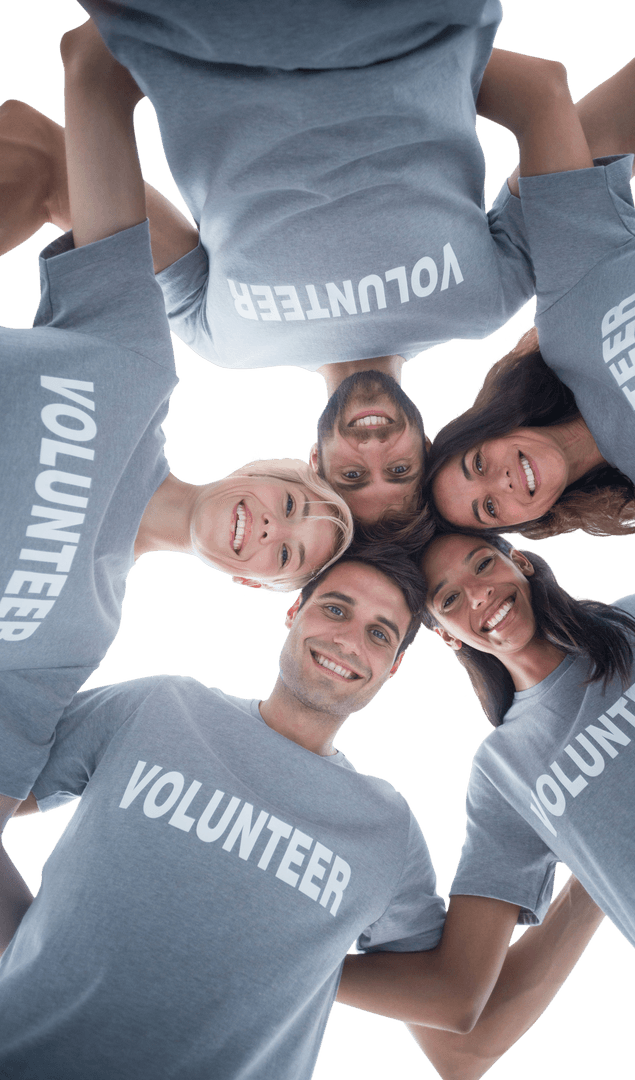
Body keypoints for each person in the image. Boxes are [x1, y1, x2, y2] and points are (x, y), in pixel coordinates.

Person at [0, 547, 603, 1079]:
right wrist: (25, 945)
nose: (348, 641)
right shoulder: (158, 708)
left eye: (379, 634)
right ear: (294, 615)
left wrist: (602, 878)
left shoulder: (385, 830)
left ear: (391, 670)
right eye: (336, 610)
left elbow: (461, 1037)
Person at [5, 2, 589, 522]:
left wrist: (126, 52)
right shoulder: (489, 300)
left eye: (353, 476)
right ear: (427, 449)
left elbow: (60, 159)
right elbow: (544, 91)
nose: (375, 451)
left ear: (317, 462)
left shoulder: (222, 340)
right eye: (401, 471)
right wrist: (419, 70)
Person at [0, 23, 352, 810]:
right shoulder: (140, 365)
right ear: (262, 468)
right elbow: (57, 116)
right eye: (290, 505)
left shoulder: (79, 637)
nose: (269, 530)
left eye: (287, 554)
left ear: (252, 583)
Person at [428, 17, 635, 583]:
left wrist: (373, 70)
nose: (501, 482)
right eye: (490, 508)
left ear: (489, 427)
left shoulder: (567, 316)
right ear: (528, 525)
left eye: (477, 464)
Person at [422, 527, 635, 1077]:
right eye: (448, 598)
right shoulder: (505, 768)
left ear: (521, 563)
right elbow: (462, 1048)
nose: (478, 593)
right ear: (445, 634)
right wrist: (600, 866)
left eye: (482, 564)